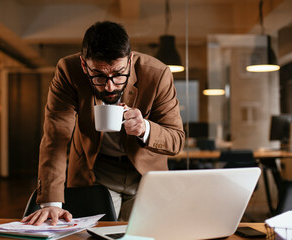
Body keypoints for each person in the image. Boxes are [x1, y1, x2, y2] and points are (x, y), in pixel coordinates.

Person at [21, 21, 185, 225]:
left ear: (130, 61)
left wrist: (145, 129)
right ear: (84, 65)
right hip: (95, 172)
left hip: (146, 176)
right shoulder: (68, 71)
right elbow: (56, 137)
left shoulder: (157, 74)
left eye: (118, 75)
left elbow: (176, 140)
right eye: (99, 76)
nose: (109, 86)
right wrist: (52, 203)